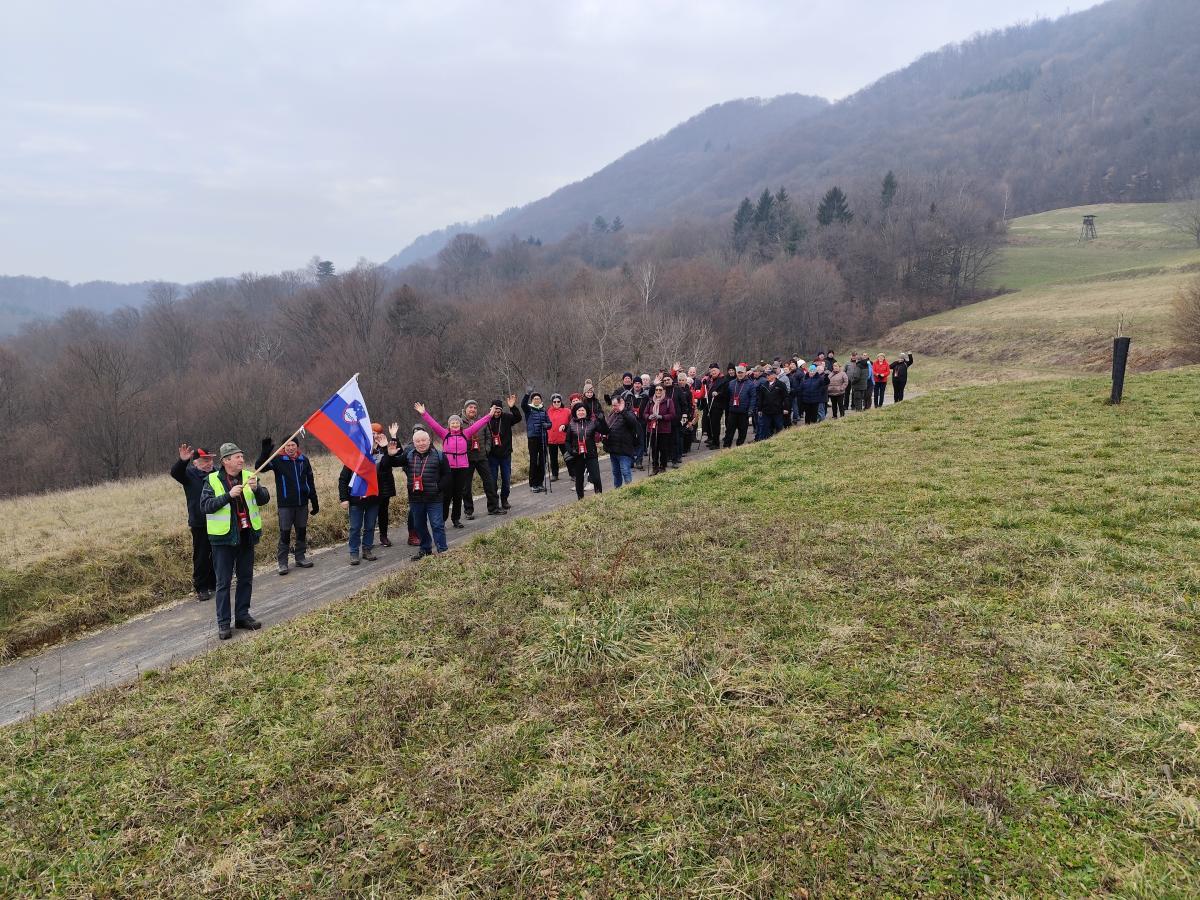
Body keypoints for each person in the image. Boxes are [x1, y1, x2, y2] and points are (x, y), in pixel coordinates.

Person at [200, 442, 271, 640]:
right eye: (237, 457)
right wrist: (228, 496)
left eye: (242, 456)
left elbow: (265, 499)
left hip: (246, 535)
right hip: (223, 540)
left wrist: (257, 490)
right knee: (223, 583)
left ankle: (242, 616)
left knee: (245, 578)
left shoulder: (250, 476)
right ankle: (224, 624)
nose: (242, 460)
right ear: (226, 461)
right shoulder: (212, 480)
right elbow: (205, 506)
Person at [417, 401, 490, 527]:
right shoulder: (445, 434)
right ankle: (442, 519)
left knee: (458, 495)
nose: (455, 424)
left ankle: (456, 519)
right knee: (447, 495)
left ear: (460, 424)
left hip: (462, 468)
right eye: (452, 423)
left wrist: (490, 415)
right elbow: (433, 424)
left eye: (457, 423)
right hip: (448, 469)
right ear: (449, 425)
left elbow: (480, 423)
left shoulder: (466, 433)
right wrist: (424, 413)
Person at [384, 425, 452, 560]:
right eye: (418, 441)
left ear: (429, 441)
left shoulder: (439, 455)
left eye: (423, 440)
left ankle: (443, 551)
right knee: (419, 525)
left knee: (437, 525)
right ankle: (425, 549)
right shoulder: (408, 455)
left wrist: (438, 487)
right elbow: (391, 463)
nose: (421, 443)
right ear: (413, 443)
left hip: (434, 498)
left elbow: (447, 475)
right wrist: (390, 455)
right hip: (416, 498)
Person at [256, 434, 318, 575]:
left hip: (302, 503)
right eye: (287, 445)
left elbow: (310, 481)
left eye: (293, 445)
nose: (290, 448)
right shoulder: (278, 460)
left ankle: (300, 557)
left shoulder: (304, 460)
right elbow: (259, 467)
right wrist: (265, 451)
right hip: (285, 505)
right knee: (285, 533)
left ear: (297, 446)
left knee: (301, 531)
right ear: (284, 448)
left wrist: (314, 501)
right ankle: (282, 563)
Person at [171, 443, 216, 601]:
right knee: (202, 556)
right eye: (205, 460)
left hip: (218, 521)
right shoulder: (189, 474)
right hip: (199, 522)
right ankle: (201, 587)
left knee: (217, 554)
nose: (209, 463)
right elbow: (175, 473)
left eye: (210, 460)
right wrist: (182, 461)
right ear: (195, 462)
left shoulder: (217, 473)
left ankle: (214, 583)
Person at [460, 400, 502, 518]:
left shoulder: (482, 421)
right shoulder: (459, 422)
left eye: (475, 407)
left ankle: (493, 508)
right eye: (470, 407)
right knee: (466, 486)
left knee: (490, 482)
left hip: (481, 456)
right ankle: (468, 511)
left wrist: (487, 449)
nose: (473, 409)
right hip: (467, 458)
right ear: (465, 409)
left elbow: (489, 436)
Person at [562, 400, 609, 498]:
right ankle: (581, 499)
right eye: (579, 410)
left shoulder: (592, 422)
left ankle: (599, 498)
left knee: (596, 478)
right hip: (577, 455)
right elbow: (567, 441)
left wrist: (602, 420)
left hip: (591, 454)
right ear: (575, 412)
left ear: (586, 411)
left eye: (583, 410)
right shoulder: (571, 424)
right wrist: (571, 451)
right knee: (579, 479)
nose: (581, 412)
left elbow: (605, 431)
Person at [338, 455, 379, 566]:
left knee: (370, 527)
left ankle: (367, 549)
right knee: (355, 528)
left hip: (373, 500)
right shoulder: (351, 461)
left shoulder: (375, 460)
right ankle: (354, 553)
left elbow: (382, 476)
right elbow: (343, 480)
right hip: (355, 501)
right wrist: (344, 498)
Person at [483, 395, 521, 510]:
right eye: (494, 410)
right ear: (491, 409)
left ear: (501, 410)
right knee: (492, 480)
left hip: (505, 454)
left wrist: (512, 407)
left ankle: (504, 499)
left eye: (498, 410)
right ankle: (494, 502)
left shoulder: (507, 417)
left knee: (506, 479)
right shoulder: (487, 419)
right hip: (492, 456)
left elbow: (518, 418)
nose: (496, 412)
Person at [603, 395, 640, 488]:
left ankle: (630, 489)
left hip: (624, 450)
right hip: (613, 449)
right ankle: (617, 490)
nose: (614, 407)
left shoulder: (629, 412)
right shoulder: (612, 413)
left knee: (625, 471)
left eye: (615, 405)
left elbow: (633, 422)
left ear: (621, 403)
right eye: (613, 405)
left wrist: (622, 410)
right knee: (616, 472)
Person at [640, 383, 675, 474]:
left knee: (663, 449)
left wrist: (661, 417)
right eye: (656, 389)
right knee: (654, 449)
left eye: (660, 390)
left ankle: (663, 466)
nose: (658, 391)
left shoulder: (668, 401)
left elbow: (672, 415)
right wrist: (649, 417)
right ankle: (655, 467)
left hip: (664, 429)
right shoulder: (651, 401)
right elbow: (645, 413)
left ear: (664, 391)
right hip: (652, 429)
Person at [521, 390, 552, 493]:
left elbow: (550, 423)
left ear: (541, 400)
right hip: (533, 438)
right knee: (534, 461)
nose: (537, 400)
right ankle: (533, 484)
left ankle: (540, 483)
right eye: (535, 399)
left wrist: (547, 425)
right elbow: (523, 404)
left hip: (543, 437)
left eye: (538, 398)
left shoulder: (543, 410)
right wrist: (527, 394)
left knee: (543, 461)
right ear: (532, 400)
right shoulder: (529, 410)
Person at [371, 425, 398, 546]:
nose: (375, 436)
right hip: (369, 484)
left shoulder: (385, 446)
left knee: (383, 512)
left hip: (384, 484)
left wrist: (392, 438)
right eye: (372, 433)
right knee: (370, 513)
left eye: (377, 433)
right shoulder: (364, 447)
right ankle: (368, 539)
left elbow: (391, 461)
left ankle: (383, 536)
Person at [723, 364, 755, 448]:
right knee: (729, 430)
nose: (740, 374)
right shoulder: (731, 383)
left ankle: (739, 447)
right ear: (736, 373)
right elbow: (727, 396)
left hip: (744, 411)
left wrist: (751, 409)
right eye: (738, 372)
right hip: (732, 410)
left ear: (745, 373)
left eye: (741, 372)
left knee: (742, 431)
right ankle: (726, 447)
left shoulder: (750, 384)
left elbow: (753, 398)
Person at [756, 366, 788, 439]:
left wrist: (786, 408)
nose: (767, 376)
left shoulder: (781, 384)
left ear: (774, 375)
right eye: (766, 375)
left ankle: (780, 440)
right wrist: (759, 409)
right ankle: (767, 440)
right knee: (766, 427)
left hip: (777, 410)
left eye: (769, 375)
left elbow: (786, 397)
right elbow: (761, 398)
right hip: (766, 411)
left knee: (779, 426)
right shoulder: (764, 385)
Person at [546, 393, 571, 481]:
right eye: (554, 401)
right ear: (552, 402)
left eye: (558, 401)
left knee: (568, 457)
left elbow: (571, 423)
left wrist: (565, 426)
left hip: (564, 438)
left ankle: (573, 474)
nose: (556, 403)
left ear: (561, 401)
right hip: (551, 439)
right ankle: (555, 475)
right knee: (553, 458)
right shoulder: (548, 411)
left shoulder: (567, 411)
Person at [626, 378, 650, 469]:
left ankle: (639, 460)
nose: (637, 385)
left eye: (639, 383)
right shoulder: (628, 395)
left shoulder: (645, 395)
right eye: (635, 383)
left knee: (641, 441)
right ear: (633, 384)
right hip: (630, 422)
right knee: (630, 441)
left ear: (641, 384)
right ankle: (631, 460)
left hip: (641, 421)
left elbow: (648, 408)